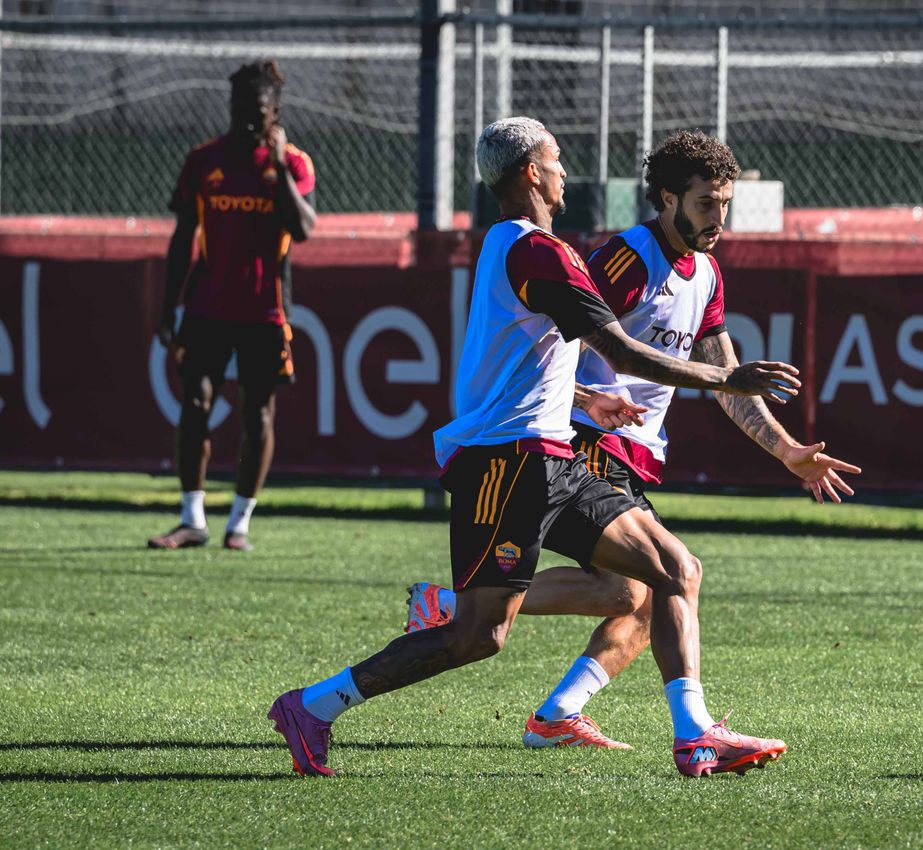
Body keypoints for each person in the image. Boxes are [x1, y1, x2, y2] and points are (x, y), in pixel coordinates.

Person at [269, 117, 799, 778]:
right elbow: (620, 349)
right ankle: (314, 705)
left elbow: (558, 354)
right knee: (477, 637)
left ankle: (695, 735)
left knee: (673, 569)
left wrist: (580, 400)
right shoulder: (535, 250)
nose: (563, 174)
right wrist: (724, 374)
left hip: (550, 457)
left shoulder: (532, 248)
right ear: (529, 173)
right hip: (503, 461)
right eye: (554, 161)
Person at [404, 130, 860, 750]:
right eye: (705, 204)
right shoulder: (626, 260)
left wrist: (786, 451)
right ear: (667, 198)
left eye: (725, 204)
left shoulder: (706, 274)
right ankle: (689, 732)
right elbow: (551, 345)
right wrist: (587, 401)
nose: (717, 218)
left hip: (635, 451)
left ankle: (552, 706)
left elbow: (727, 381)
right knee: (662, 579)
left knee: (637, 598)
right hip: (591, 441)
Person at [148, 60, 316, 552]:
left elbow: (303, 229)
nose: (245, 117)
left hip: (266, 311)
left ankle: (239, 522)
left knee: (257, 414)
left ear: (275, 112)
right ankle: (191, 518)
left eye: (257, 110)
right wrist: (167, 308)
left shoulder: (295, 164)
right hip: (206, 307)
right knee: (195, 403)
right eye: (238, 107)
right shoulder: (203, 161)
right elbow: (182, 239)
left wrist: (279, 163)